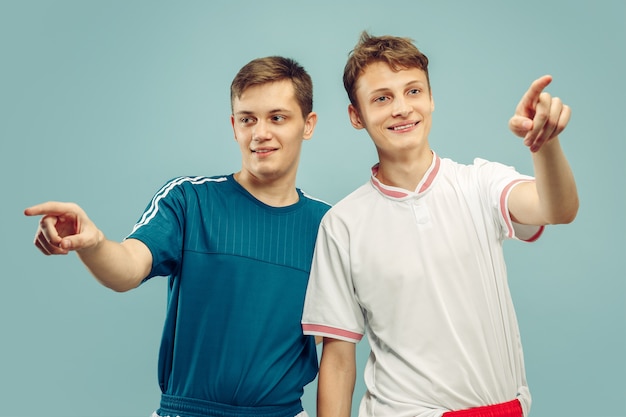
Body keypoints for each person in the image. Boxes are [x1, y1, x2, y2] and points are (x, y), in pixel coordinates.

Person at [24, 56, 330, 417]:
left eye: (277, 117)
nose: (260, 132)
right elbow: (128, 267)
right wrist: (93, 244)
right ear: (234, 126)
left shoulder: (328, 225)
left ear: (307, 125)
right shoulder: (189, 199)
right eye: (248, 119)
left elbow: (335, 340)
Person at [301, 32, 579, 417]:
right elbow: (338, 358)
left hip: (501, 407)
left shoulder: (480, 183)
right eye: (382, 98)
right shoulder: (342, 224)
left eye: (413, 91)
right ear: (356, 115)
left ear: (431, 99)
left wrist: (543, 145)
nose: (401, 108)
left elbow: (557, 208)